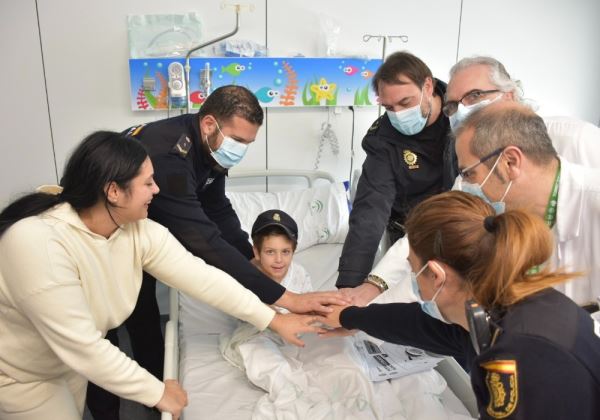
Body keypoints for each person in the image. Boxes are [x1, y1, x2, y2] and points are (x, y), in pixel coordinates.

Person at [0, 131, 324, 420]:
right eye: (147, 182)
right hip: (23, 376)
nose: (156, 189)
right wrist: (157, 392)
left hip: (68, 364)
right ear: (114, 191)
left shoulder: (137, 231)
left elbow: (203, 278)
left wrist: (273, 319)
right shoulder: (37, 242)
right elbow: (85, 346)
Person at [86, 85, 348, 418]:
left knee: (143, 315)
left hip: (137, 231)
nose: (241, 150)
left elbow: (218, 209)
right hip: (105, 234)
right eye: (239, 141)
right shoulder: (169, 160)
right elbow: (205, 242)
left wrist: (250, 258)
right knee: (105, 331)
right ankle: (115, 410)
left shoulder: (209, 147)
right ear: (210, 124)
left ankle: (154, 398)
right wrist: (286, 297)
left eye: (248, 144)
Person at [321, 191, 600, 419]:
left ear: (437, 276)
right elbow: (417, 324)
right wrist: (350, 316)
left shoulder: (513, 357)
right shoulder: (501, 307)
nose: (412, 279)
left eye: (411, 268)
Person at [336, 51, 457, 306]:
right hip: (409, 232)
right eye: (389, 107)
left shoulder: (461, 120)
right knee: (409, 304)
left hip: (459, 225)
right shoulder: (383, 139)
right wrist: (349, 287)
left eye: (405, 103)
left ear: (427, 86)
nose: (398, 114)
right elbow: (371, 209)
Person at [454, 102, 600, 307]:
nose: (465, 186)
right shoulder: (512, 221)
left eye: (468, 174)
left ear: (510, 162)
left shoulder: (595, 203)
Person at [443, 55, 600, 167]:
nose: (461, 111)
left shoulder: (574, 139)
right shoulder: (465, 161)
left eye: (475, 95)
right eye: (452, 105)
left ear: (509, 95)